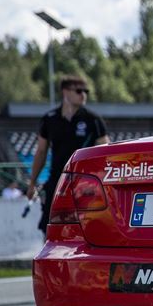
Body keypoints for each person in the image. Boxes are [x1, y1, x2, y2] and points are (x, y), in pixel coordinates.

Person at [26, 75, 109, 238]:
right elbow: (41, 152)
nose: (83, 95)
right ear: (65, 92)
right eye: (79, 91)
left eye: (86, 91)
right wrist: (32, 183)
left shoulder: (93, 120)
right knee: (50, 229)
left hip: (85, 185)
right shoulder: (49, 119)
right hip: (57, 183)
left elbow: (105, 152)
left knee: (86, 229)